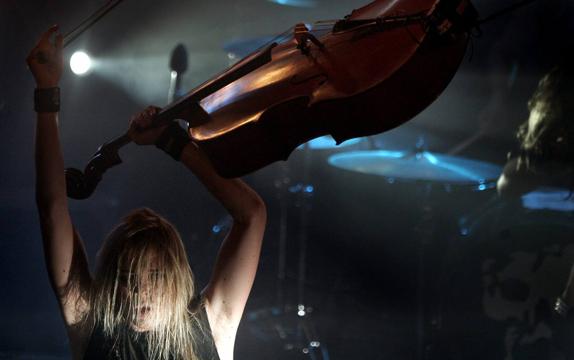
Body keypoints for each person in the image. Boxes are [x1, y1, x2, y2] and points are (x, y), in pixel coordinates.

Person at [27, 25, 267, 360]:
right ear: (113, 281)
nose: (141, 290)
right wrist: (47, 91)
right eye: (129, 277)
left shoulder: (213, 324)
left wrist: (174, 142)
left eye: (153, 275)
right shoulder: (89, 324)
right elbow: (52, 209)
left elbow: (251, 214)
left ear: (174, 275)